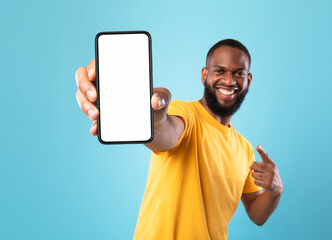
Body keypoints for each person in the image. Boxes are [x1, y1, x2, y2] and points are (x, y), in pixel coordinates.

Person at [75, 39, 283, 240]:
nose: (229, 81)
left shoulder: (245, 149)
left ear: (249, 79)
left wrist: (274, 190)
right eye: (219, 71)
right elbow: (163, 134)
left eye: (238, 73)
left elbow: (257, 214)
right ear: (204, 74)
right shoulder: (184, 113)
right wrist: (153, 114)